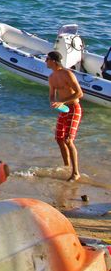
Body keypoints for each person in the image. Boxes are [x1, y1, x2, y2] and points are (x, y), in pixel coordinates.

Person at [46, 49, 83, 181]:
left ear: (54, 61)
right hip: (63, 109)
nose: (45, 61)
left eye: (47, 59)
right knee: (59, 139)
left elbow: (79, 93)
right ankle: (67, 167)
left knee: (68, 140)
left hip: (74, 107)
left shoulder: (67, 74)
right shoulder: (51, 77)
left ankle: (76, 173)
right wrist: (53, 103)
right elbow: (51, 95)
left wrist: (60, 101)